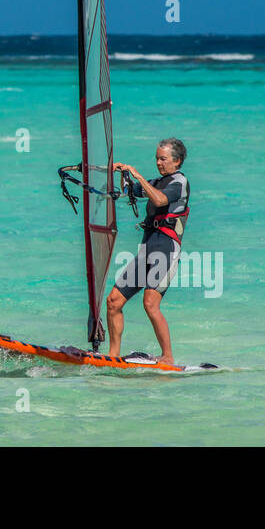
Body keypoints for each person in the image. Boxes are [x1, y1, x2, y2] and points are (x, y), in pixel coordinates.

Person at [108, 138, 190, 365]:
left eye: (163, 159)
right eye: (156, 158)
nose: (158, 163)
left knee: (150, 303)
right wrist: (120, 173)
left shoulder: (179, 182)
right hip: (147, 249)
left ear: (177, 160)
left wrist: (138, 175)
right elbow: (129, 192)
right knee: (114, 301)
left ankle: (168, 357)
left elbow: (160, 199)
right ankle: (112, 357)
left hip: (166, 250)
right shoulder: (158, 181)